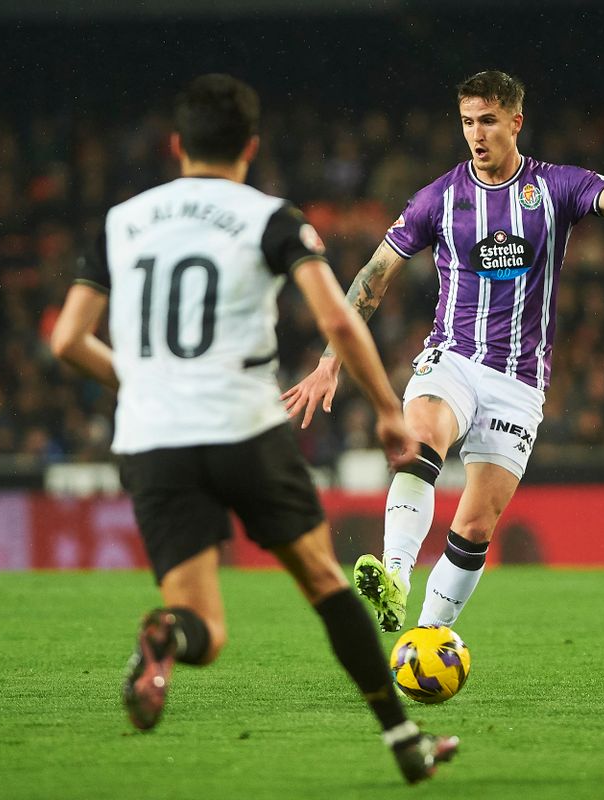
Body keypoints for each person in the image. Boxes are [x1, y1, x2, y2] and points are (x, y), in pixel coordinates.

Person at [49, 73, 457, 784]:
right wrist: (391, 412)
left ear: (177, 145)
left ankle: (164, 635)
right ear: (251, 147)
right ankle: (404, 742)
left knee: (203, 629)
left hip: (152, 440)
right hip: (242, 427)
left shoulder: (120, 221)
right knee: (325, 585)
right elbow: (336, 317)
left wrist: (144, 381)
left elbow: (68, 341)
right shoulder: (269, 218)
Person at [283, 70, 604, 632]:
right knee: (419, 438)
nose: (476, 133)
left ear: (516, 122)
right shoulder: (439, 199)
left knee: (475, 525)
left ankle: (428, 636)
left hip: (518, 380)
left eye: (488, 120)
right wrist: (329, 360)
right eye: (468, 121)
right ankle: (394, 576)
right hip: (454, 357)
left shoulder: (557, 186)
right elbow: (373, 276)